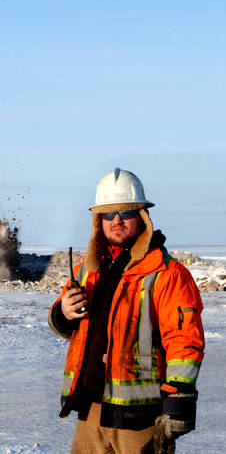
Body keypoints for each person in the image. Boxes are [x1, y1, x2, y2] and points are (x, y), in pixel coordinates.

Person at [48, 168, 205, 453]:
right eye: (108, 213)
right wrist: (63, 313)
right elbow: (63, 325)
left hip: (141, 418)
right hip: (92, 413)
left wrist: (179, 398)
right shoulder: (86, 270)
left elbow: (184, 340)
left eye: (125, 212)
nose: (116, 219)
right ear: (98, 221)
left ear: (142, 217)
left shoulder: (167, 273)